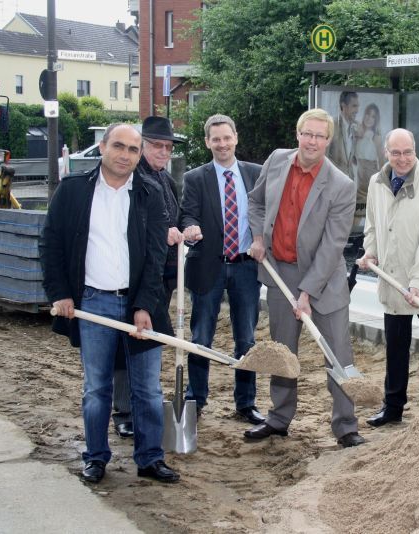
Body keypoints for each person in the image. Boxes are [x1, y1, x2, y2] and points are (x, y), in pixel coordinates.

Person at [40, 123, 179, 484]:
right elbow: (51, 244)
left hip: (139, 304)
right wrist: (60, 293)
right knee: (97, 388)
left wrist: (145, 305)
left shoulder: (149, 193)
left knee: (147, 388)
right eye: (118, 146)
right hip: (92, 304)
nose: (125, 155)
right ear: (102, 147)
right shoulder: (73, 191)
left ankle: (149, 458)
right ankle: (96, 457)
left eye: (133, 149)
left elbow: (156, 256)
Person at [246, 108, 365, 448]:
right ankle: (279, 417)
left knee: (338, 353)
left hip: (324, 280)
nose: (312, 141)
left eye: (320, 136)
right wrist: (258, 237)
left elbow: (332, 246)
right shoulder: (276, 161)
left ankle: (345, 425)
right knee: (283, 351)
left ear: (328, 141)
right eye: (307, 134)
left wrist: (308, 293)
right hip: (280, 272)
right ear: (298, 134)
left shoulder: (341, 185)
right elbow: (256, 203)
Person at [357, 128, 419, 427]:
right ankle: (393, 407)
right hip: (393, 277)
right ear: (386, 152)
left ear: (415, 150)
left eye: (407, 152)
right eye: (396, 153)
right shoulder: (377, 182)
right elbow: (372, 224)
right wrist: (370, 252)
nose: (402, 159)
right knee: (396, 345)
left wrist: (418, 282)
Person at [179, 114, 264, 424]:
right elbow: (187, 214)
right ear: (207, 142)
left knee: (247, 338)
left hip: (245, 268)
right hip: (208, 267)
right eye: (216, 139)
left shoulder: (256, 174)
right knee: (201, 336)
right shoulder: (195, 178)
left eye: (227, 138)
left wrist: (262, 238)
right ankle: (195, 400)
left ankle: (246, 403)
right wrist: (191, 228)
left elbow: (265, 213)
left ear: (235, 138)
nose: (222, 144)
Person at [112, 116, 184, 439]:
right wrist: (159, 232)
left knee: (148, 343)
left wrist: (184, 229)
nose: (163, 152)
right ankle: (123, 409)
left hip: (162, 277)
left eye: (168, 147)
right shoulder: (132, 179)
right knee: (127, 342)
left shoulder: (166, 181)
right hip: (134, 278)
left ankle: (141, 406)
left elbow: (176, 218)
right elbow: (124, 227)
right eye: (157, 146)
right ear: (142, 146)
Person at [354, 103, 385, 217]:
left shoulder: (376, 137)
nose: (369, 118)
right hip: (357, 173)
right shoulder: (358, 133)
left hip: (369, 174)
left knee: (368, 210)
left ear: (376, 120)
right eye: (368, 114)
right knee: (357, 211)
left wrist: (382, 182)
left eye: (373, 116)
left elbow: (381, 160)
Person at [327, 91, 359, 180]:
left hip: (348, 182)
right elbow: (323, 157)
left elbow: (351, 160)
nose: (357, 110)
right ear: (343, 106)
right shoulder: (331, 125)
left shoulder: (354, 128)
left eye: (357, 106)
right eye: (354, 106)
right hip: (332, 181)